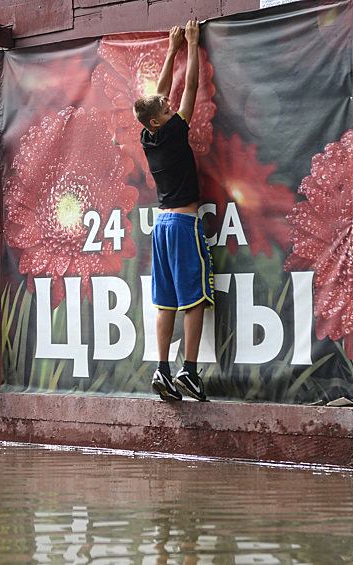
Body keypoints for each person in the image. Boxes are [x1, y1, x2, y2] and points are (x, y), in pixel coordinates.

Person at [133, 20, 214, 402]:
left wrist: (171, 50)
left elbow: (159, 93)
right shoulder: (176, 129)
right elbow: (191, 88)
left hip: (161, 225)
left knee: (165, 301)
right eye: (166, 109)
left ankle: (162, 370)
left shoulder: (150, 138)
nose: (170, 105)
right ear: (158, 121)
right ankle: (191, 372)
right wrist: (193, 45)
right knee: (194, 300)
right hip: (183, 223)